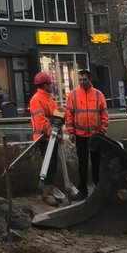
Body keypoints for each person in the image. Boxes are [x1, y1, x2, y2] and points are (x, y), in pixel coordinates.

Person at [65, 69, 108, 200]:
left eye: (84, 79)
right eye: (80, 80)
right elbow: (69, 115)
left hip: (95, 135)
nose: (82, 82)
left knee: (96, 163)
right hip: (80, 135)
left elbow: (104, 114)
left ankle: (98, 188)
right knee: (82, 164)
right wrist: (71, 132)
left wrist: (102, 131)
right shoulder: (73, 95)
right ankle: (82, 190)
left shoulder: (98, 95)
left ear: (90, 79)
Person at [29, 72, 59, 201]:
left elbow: (55, 116)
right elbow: (40, 121)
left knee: (53, 165)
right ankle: (47, 194)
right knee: (48, 165)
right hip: (44, 138)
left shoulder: (49, 99)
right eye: (50, 83)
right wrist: (52, 132)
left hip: (51, 137)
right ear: (44, 84)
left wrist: (61, 113)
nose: (51, 85)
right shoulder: (37, 99)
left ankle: (50, 190)